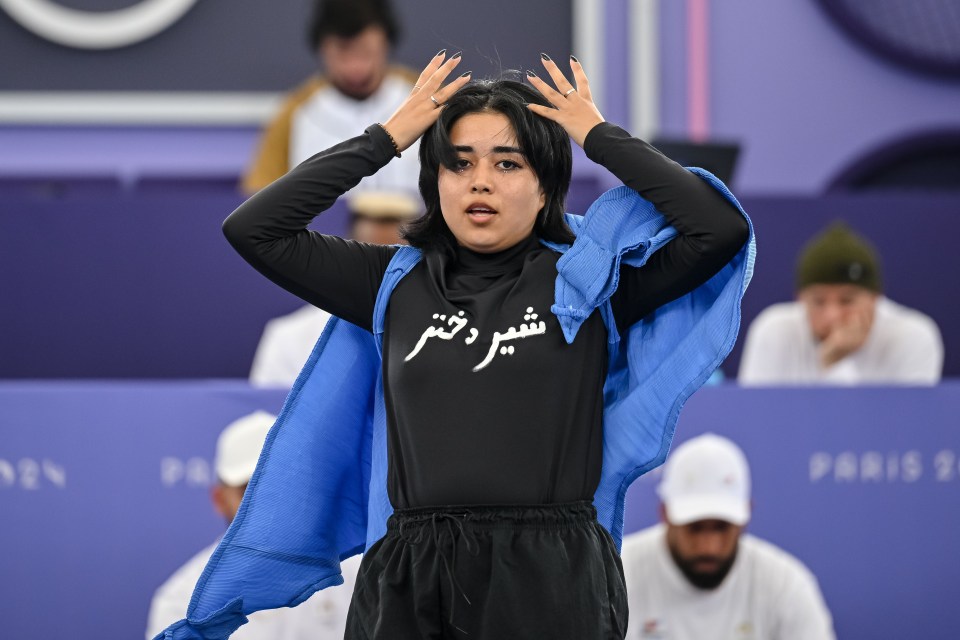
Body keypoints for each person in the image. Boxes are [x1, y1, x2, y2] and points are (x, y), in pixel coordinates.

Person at [156, 51, 753, 640]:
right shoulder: (390, 283)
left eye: (508, 163)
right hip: (411, 579)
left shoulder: (589, 285)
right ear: (433, 179)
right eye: (458, 163)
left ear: (546, 186)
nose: (481, 182)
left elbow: (719, 228)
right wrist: (387, 137)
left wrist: (595, 134)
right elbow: (254, 229)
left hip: (553, 577)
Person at [146, 411, 360, 640]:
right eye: (248, 490)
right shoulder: (181, 603)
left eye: (277, 487)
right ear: (219, 499)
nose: (265, 506)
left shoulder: (358, 573)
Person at [621, 434, 835, 640]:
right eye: (695, 528)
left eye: (722, 527)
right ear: (665, 514)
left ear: (746, 515)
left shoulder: (785, 585)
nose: (709, 546)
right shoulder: (619, 573)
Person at [242, 0, 419, 196]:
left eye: (365, 52)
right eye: (342, 53)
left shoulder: (427, 99)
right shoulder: (294, 114)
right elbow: (255, 200)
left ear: (386, 43)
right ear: (322, 49)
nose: (355, 68)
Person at [249, 190, 420, 387]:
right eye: (370, 257)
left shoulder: (444, 331)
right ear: (348, 255)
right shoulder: (289, 337)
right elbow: (271, 412)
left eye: (395, 258)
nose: (382, 272)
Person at [738, 221, 943, 385]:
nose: (833, 315)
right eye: (818, 301)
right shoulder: (773, 329)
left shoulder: (913, 336)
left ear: (875, 299)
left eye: (847, 300)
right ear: (800, 299)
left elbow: (908, 426)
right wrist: (832, 360)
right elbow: (756, 416)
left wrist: (834, 362)